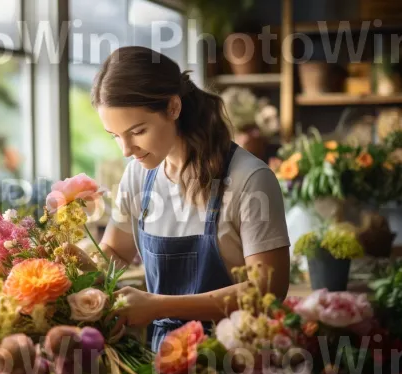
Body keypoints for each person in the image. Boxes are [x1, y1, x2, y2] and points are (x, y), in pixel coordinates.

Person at [90, 46, 290, 352]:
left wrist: (158, 306)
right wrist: (78, 267)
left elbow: (268, 291)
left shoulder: (249, 179)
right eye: (115, 136)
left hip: (234, 358)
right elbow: (116, 250)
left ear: (173, 108)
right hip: (162, 358)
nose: (126, 150)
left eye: (137, 131)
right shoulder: (138, 175)